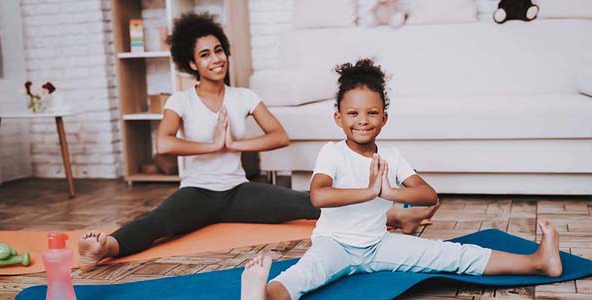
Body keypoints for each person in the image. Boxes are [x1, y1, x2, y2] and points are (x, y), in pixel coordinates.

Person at [77, 13, 434, 271]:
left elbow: (280, 136)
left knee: (306, 202)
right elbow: (165, 144)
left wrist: (235, 145)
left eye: (219, 50)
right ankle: (106, 246)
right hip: (198, 191)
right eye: (205, 54)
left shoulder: (243, 96)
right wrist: (211, 147)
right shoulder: (180, 101)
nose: (216, 59)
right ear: (191, 63)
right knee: (159, 223)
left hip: (239, 191)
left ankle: (395, 219)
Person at [240, 59, 563, 300]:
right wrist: (369, 192)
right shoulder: (332, 153)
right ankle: (264, 296)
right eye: (352, 114)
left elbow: (427, 193)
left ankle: (538, 262)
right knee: (304, 276)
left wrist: (391, 191)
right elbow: (318, 196)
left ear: (384, 118)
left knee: (452, 255)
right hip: (334, 245)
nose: (362, 121)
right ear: (338, 118)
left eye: (371, 113)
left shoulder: (391, 157)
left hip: (379, 245)